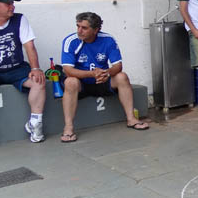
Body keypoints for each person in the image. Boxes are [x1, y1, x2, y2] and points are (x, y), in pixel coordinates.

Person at [60, 12, 149, 143]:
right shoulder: (70, 41)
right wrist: (92, 74)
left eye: (84, 28)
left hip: (102, 80)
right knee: (70, 82)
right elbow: (68, 71)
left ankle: (131, 119)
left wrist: (106, 73)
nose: (79, 31)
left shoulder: (108, 39)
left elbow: (118, 66)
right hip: (81, 83)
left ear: (96, 30)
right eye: (78, 26)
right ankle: (68, 128)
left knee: (122, 77)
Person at [0, 0, 46, 143]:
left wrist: (35, 68)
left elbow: (29, 45)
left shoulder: (19, 19)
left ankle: (35, 123)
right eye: (8, 4)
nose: (12, 6)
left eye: (13, 3)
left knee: (38, 81)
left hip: (17, 69)